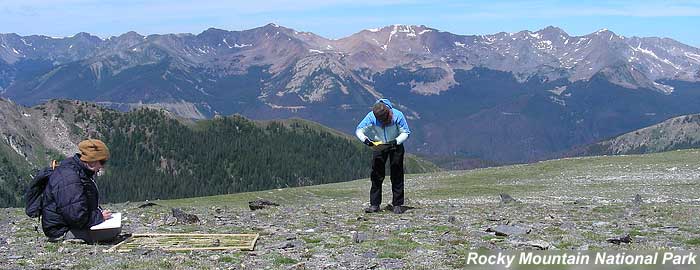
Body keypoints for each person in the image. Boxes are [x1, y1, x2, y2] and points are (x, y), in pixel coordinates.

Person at [41, 139, 119, 243]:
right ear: (92, 160)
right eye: (102, 161)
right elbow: (76, 217)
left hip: (69, 225)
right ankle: (67, 239)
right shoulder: (70, 178)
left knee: (114, 231)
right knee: (112, 233)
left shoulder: (78, 171)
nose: (102, 166)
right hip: (61, 231)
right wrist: (99, 217)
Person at [356, 98, 411, 214]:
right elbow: (359, 130)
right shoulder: (371, 117)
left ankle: (397, 204)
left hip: (396, 145)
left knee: (397, 174)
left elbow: (406, 132)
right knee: (376, 175)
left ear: (389, 113)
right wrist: (367, 141)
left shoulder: (398, 115)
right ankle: (374, 204)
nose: (384, 123)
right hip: (379, 145)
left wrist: (395, 142)